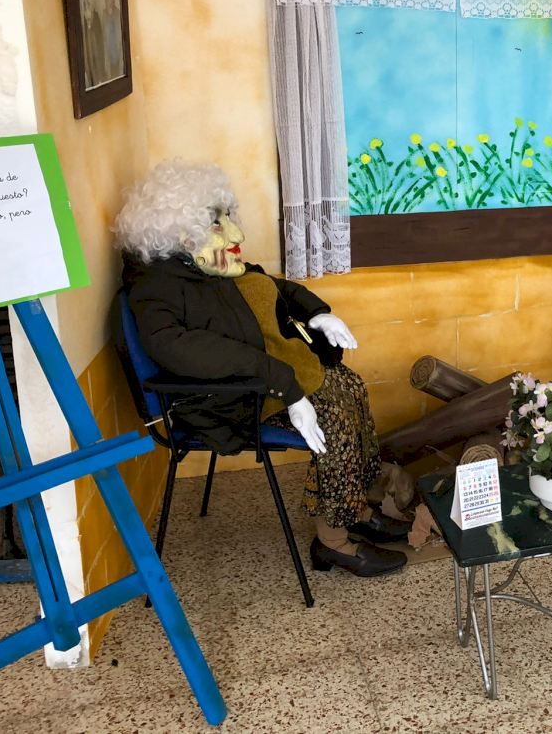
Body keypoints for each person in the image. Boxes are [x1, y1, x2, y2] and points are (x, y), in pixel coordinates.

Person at [115, 160, 408, 577]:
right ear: (183, 234)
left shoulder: (207, 267)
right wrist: (282, 383)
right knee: (335, 415)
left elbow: (272, 286)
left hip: (261, 382)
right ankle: (334, 542)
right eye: (218, 223)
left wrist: (317, 312)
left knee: (350, 386)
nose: (235, 234)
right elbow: (181, 350)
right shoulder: (156, 289)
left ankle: (354, 507)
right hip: (225, 403)